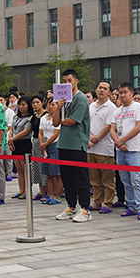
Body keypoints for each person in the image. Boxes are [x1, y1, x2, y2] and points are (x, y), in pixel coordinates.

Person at [53, 69, 92, 222]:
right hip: (63, 144)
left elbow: (72, 121)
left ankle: (85, 209)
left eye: (69, 80)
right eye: (64, 81)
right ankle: (71, 207)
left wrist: (62, 119)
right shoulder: (63, 99)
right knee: (67, 178)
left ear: (76, 81)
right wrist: (58, 107)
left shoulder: (80, 98)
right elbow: (55, 122)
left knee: (80, 178)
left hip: (77, 143)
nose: (66, 83)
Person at [110, 83, 140, 220]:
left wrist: (122, 140)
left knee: (136, 179)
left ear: (132, 93)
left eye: (125, 92)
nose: (122, 95)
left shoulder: (139, 108)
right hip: (120, 150)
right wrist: (118, 142)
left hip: (134, 150)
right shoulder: (117, 111)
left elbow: (138, 127)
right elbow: (112, 129)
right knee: (125, 180)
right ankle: (131, 205)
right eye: (120, 92)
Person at [88, 81, 117, 214]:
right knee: (94, 179)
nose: (101, 90)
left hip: (105, 149)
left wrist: (96, 139)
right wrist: (90, 137)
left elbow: (108, 126)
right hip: (91, 148)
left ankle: (108, 203)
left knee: (108, 179)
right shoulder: (91, 106)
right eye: (100, 87)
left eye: (105, 89)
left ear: (109, 93)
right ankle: (97, 202)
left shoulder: (111, 107)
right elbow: (86, 123)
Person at [8, 96, 33, 199]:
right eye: (20, 105)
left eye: (24, 104)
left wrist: (12, 139)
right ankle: (21, 190)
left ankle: (27, 190)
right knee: (19, 170)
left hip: (25, 143)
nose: (21, 107)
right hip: (15, 143)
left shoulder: (30, 118)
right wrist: (10, 140)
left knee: (25, 169)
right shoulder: (16, 116)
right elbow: (11, 129)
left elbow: (25, 132)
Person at [39, 99, 62, 205]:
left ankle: (57, 196)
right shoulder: (43, 118)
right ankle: (51, 194)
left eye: (53, 104)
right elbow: (40, 132)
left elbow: (56, 133)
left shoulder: (57, 118)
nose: (50, 106)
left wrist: (46, 144)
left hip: (54, 145)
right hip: (44, 146)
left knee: (57, 173)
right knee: (48, 174)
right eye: (49, 104)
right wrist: (41, 144)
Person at [30, 95, 48, 200]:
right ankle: (41, 190)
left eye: (37, 102)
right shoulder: (33, 117)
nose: (35, 104)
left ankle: (48, 190)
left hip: (44, 142)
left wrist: (43, 144)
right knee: (37, 167)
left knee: (44, 166)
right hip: (35, 142)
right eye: (33, 103)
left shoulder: (46, 115)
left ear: (42, 103)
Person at [0, 95, 17, 182]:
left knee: (8, 157)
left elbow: (10, 126)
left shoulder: (10, 112)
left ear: (5, 101)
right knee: (0, 158)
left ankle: (9, 174)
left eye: (1, 100)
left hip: (6, 137)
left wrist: (0, 129)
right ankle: (2, 174)